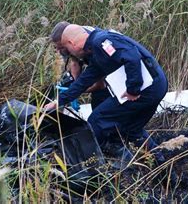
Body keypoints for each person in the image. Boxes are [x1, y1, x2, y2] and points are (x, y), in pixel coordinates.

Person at [45, 22, 168, 156]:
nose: (68, 53)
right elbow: (82, 82)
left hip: (148, 89)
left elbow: (132, 56)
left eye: (66, 48)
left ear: (71, 43)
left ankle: (91, 165)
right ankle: (163, 166)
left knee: (97, 121)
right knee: (132, 130)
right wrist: (58, 102)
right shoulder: (96, 52)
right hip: (157, 86)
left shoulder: (102, 42)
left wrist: (133, 89)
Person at [51, 22, 111, 110]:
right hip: (99, 70)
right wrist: (75, 83)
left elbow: (99, 84)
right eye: (56, 48)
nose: (58, 51)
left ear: (69, 41)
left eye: (61, 47)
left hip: (115, 80)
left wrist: (78, 90)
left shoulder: (90, 46)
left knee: (98, 106)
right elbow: (74, 62)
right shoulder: (75, 37)